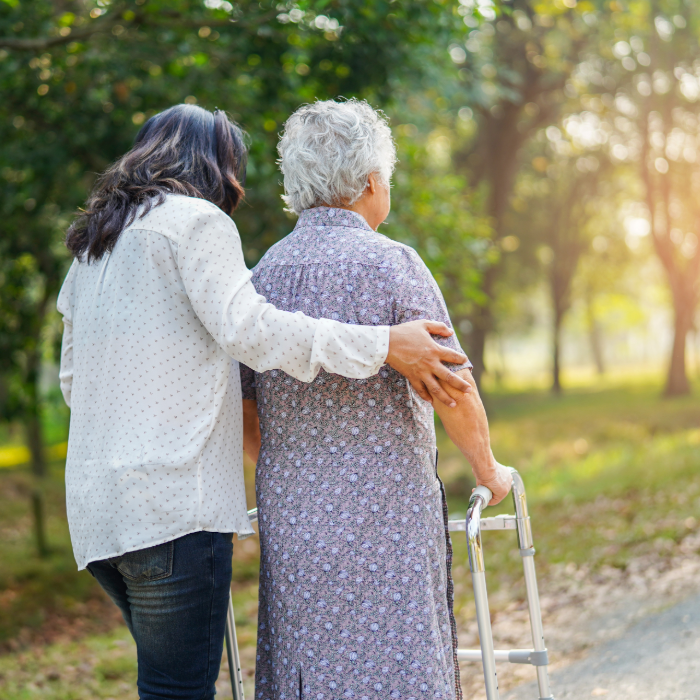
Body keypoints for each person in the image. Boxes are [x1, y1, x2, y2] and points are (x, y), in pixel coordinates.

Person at [56, 104, 473, 700]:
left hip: (97, 515)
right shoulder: (195, 223)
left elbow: (76, 380)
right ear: (213, 165)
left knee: (164, 683)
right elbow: (253, 333)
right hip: (171, 510)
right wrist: (382, 344)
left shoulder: (94, 244)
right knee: (179, 691)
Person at [240, 99, 512, 700]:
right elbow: (453, 391)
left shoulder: (261, 279)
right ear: (369, 183)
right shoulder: (394, 266)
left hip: (295, 525)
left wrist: (289, 475)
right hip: (387, 521)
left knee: (309, 670)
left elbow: (244, 406)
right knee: (401, 668)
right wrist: (488, 470)